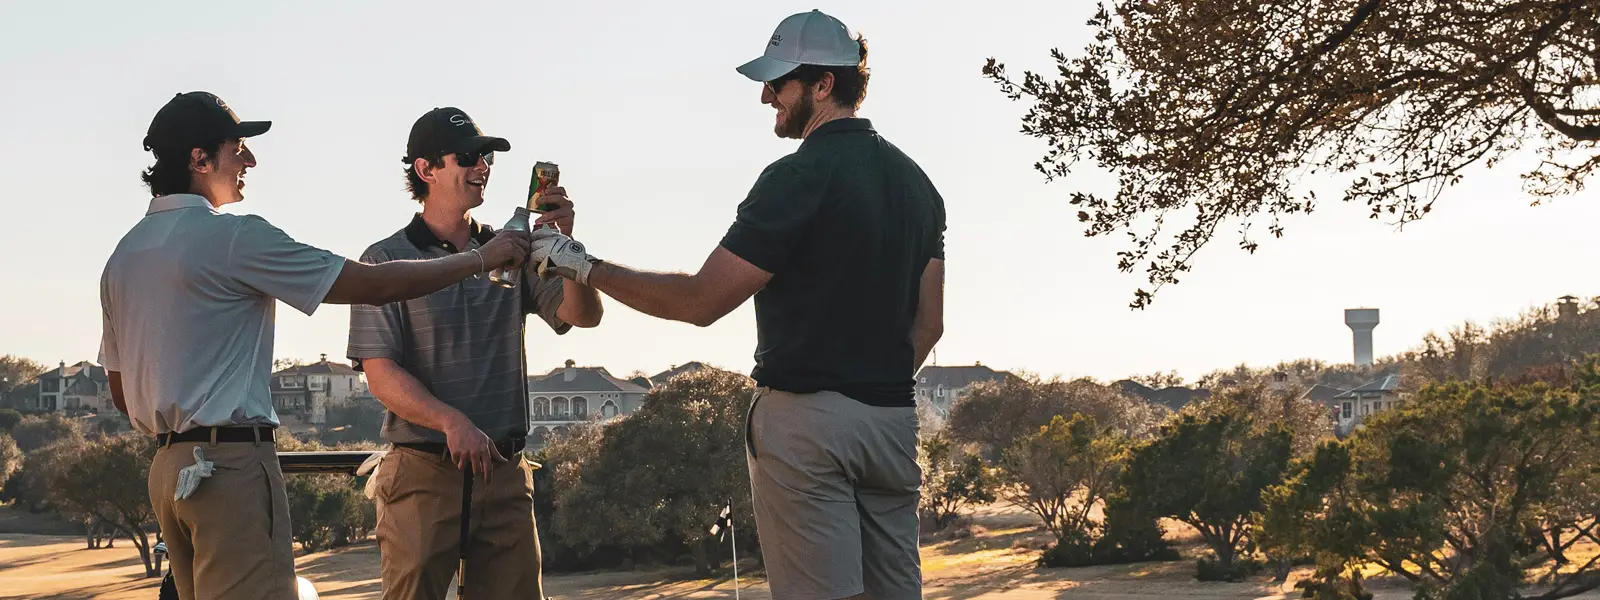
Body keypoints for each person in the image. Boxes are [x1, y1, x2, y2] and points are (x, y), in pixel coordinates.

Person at [527, 10, 946, 600]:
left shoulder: (796, 177)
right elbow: (930, 323)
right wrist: (872, 386)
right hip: (893, 424)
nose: (765, 96)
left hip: (808, 425)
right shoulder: (919, 185)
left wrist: (581, 264)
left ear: (824, 84)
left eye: (779, 82)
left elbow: (702, 302)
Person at [99, 91, 533, 600]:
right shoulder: (234, 237)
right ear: (199, 158)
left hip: (167, 474)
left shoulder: (124, 254)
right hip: (229, 470)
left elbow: (123, 392)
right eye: (237, 146)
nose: (250, 159)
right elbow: (373, 285)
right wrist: (482, 260)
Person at [347, 106, 603, 600]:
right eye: (468, 157)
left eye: (487, 157)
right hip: (422, 474)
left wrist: (567, 246)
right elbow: (380, 374)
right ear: (426, 170)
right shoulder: (382, 261)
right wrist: (451, 422)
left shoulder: (517, 248)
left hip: (504, 473)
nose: (483, 166)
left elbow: (583, 315)